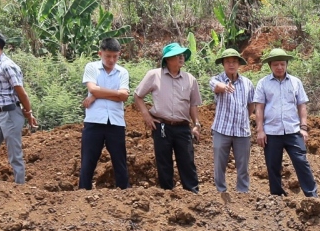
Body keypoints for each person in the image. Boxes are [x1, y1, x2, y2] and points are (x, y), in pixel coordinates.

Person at [133, 41, 203, 193]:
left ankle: (192, 194)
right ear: (168, 59)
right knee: (164, 162)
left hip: (183, 127)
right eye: (177, 55)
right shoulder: (154, 75)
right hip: (162, 126)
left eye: (182, 55)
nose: (181, 58)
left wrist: (196, 124)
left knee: (187, 161)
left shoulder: (190, 79)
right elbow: (138, 96)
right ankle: (166, 195)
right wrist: (147, 117)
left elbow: (193, 105)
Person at [251, 48, 319, 198]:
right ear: (270, 66)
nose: (279, 67)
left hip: (293, 131)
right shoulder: (263, 84)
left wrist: (303, 127)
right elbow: (259, 108)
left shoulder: (295, 82)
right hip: (272, 132)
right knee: (273, 165)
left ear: (286, 64)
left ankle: (311, 195)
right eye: (276, 64)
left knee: (301, 161)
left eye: (282, 64)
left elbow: (302, 105)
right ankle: (276, 196)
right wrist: (260, 130)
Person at [0, 31, 36, 183]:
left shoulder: (7, 66)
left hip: (10, 113)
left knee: (14, 155)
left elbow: (21, 92)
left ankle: (20, 190)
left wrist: (28, 112)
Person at [79, 37, 130, 190]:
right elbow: (93, 89)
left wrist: (96, 95)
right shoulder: (91, 67)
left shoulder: (122, 72)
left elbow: (125, 96)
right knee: (88, 161)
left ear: (119, 55)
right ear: (100, 53)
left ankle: (125, 193)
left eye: (115, 56)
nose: (111, 60)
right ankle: (82, 194)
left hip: (116, 122)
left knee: (120, 161)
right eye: (108, 56)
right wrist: (99, 93)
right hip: (94, 121)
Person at [209, 48, 254, 194]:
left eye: (234, 61)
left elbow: (251, 104)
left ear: (239, 64)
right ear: (223, 64)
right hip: (222, 129)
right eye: (228, 62)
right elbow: (216, 87)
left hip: (242, 131)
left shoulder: (247, 83)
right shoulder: (216, 79)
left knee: (243, 165)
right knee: (219, 164)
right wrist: (225, 87)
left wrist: (245, 118)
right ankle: (221, 191)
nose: (231, 64)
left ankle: (242, 192)